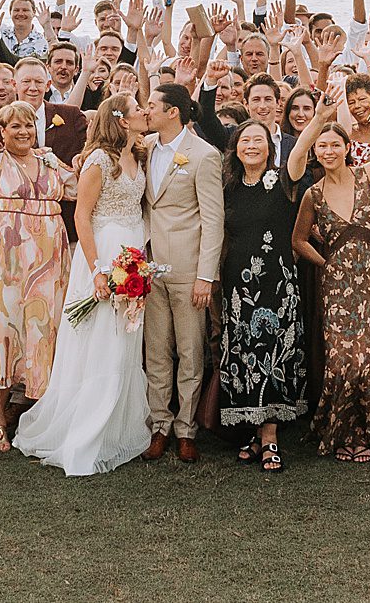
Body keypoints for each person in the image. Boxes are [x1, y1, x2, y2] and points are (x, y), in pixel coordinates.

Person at [14, 98, 151, 475]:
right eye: (138, 108)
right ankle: (85, 433)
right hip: (103, 254)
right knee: (99, 341)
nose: (145, 112)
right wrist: (96, 270)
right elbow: (83, 217)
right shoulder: (98, 162)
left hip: (133, 252)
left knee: (125, 339)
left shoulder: (139, 154)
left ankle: (116, 430)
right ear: (122, 121)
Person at [0, 93, 71, 451]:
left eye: (28, 124)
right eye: (14, 125)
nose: (23, 130)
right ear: (1, 130)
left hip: (48, 264)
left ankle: (34, 411)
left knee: (40, 332)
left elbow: (84, 188)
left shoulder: (50, 162)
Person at [294, 116, 370, 462]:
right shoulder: (313, 195)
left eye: (335, 144)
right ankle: (339, 431)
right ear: (315, 150)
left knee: (367, 362)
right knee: (341, 361)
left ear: (347, 148)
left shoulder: (369, 174)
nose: (329, 151)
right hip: (338, 287)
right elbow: (298, 240)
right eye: (322, 145)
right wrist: (325, 263)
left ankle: (366, 432)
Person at [216, 118, 309, 471]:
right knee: (245, 354)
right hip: (238, 285)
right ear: (236, 148)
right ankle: (255, 433)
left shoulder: (283, 181)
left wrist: (321, 117)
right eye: (245, 140)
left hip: (276, 282)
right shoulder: (227, 187)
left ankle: (270, 437)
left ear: (270, 148)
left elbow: (301, 148)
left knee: (272, 351)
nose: (251, 145)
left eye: (259, 140)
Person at [138, 83, 223, 461]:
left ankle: (186, 429)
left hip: (189, 269)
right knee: (156, 351)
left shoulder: (203, 156)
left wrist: (206, 275)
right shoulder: (145, 149)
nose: (147, 110)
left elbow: (213, 218)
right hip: (149, 268)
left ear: (173, 111)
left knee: (190, 352)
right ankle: (160, 425)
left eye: (153, 105)